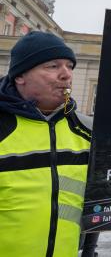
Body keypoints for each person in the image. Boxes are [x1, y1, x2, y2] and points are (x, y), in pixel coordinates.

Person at [0, 31, 92, 255]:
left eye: (70, 66)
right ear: (20, 75)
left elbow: (96, 206)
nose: (66, 75)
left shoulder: (87, 130)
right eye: (52, 66)